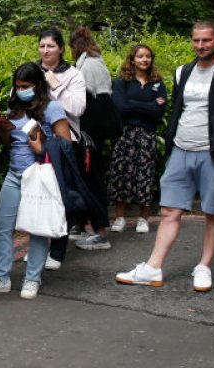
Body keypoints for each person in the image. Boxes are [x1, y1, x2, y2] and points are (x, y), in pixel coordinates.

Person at [116, 20, 214, 292]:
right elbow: (179, 109)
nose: (200, 46)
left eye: (206, 40)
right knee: (169, 210)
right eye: (196, 40)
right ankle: (153, 268)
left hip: (213, 154)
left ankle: (204, 267)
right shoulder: (183, 72)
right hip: (180, 150)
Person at [0, 62, 73, 300]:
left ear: (38, 86)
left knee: (37, 229)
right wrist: (5, 131)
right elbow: (11, 145)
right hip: (15, 173)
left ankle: (32, 279)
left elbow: (67, 145)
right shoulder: (15, 108)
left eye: (26, 86)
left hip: (39, 175)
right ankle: (1, 277)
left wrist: (41, 145)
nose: (21, 90)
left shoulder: (52, 109)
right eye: (18, 86)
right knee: (1, 224)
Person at [36, 28, 89, 268]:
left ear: (60, 49)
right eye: (42, 46)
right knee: (35, 198)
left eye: (50, 46)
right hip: (35, 141)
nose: (45, 51)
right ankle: (38, 249)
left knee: (61, 197)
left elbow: (77, 109)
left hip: (64, 143)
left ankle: (57, 251)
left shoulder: (74, 75)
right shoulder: (32, 70)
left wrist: (53, 83)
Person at [109, 44, 167, 234]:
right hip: (125, 134)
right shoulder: (123, 81)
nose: (144, 59)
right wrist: (148, 104)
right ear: (132, 59)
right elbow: (119, 107)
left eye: (148, 56)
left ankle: (143, 218)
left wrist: (133, 104)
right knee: (121, 174)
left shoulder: (158, 83)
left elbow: (159, 112)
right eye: (140, 56)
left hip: (147, 134)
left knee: (146, 174)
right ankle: (120, 217)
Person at [69, 27, 114, 251]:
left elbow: (85, 102)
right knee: (89, 177)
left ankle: (100, 232)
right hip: (96, 131)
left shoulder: (86, 66)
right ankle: (86, 225)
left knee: (91, 179)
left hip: (88, 132)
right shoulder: (97, 62)